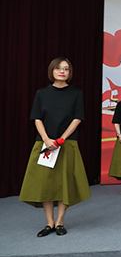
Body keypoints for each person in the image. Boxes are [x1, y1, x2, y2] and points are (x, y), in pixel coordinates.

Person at [19, 57, 91, 237]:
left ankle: (59, 222)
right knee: (47, 183)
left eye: (66, 69)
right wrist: (46, 139)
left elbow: (77, 118)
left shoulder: (76, 93)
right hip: (45, 143)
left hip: (66, 143)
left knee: (64, 182)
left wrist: (61, 139)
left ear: (70, 73)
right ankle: (49, 223)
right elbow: (37, 118)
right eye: (58, 68)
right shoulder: (41, 93)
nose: (62, 71)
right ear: (52, 70)